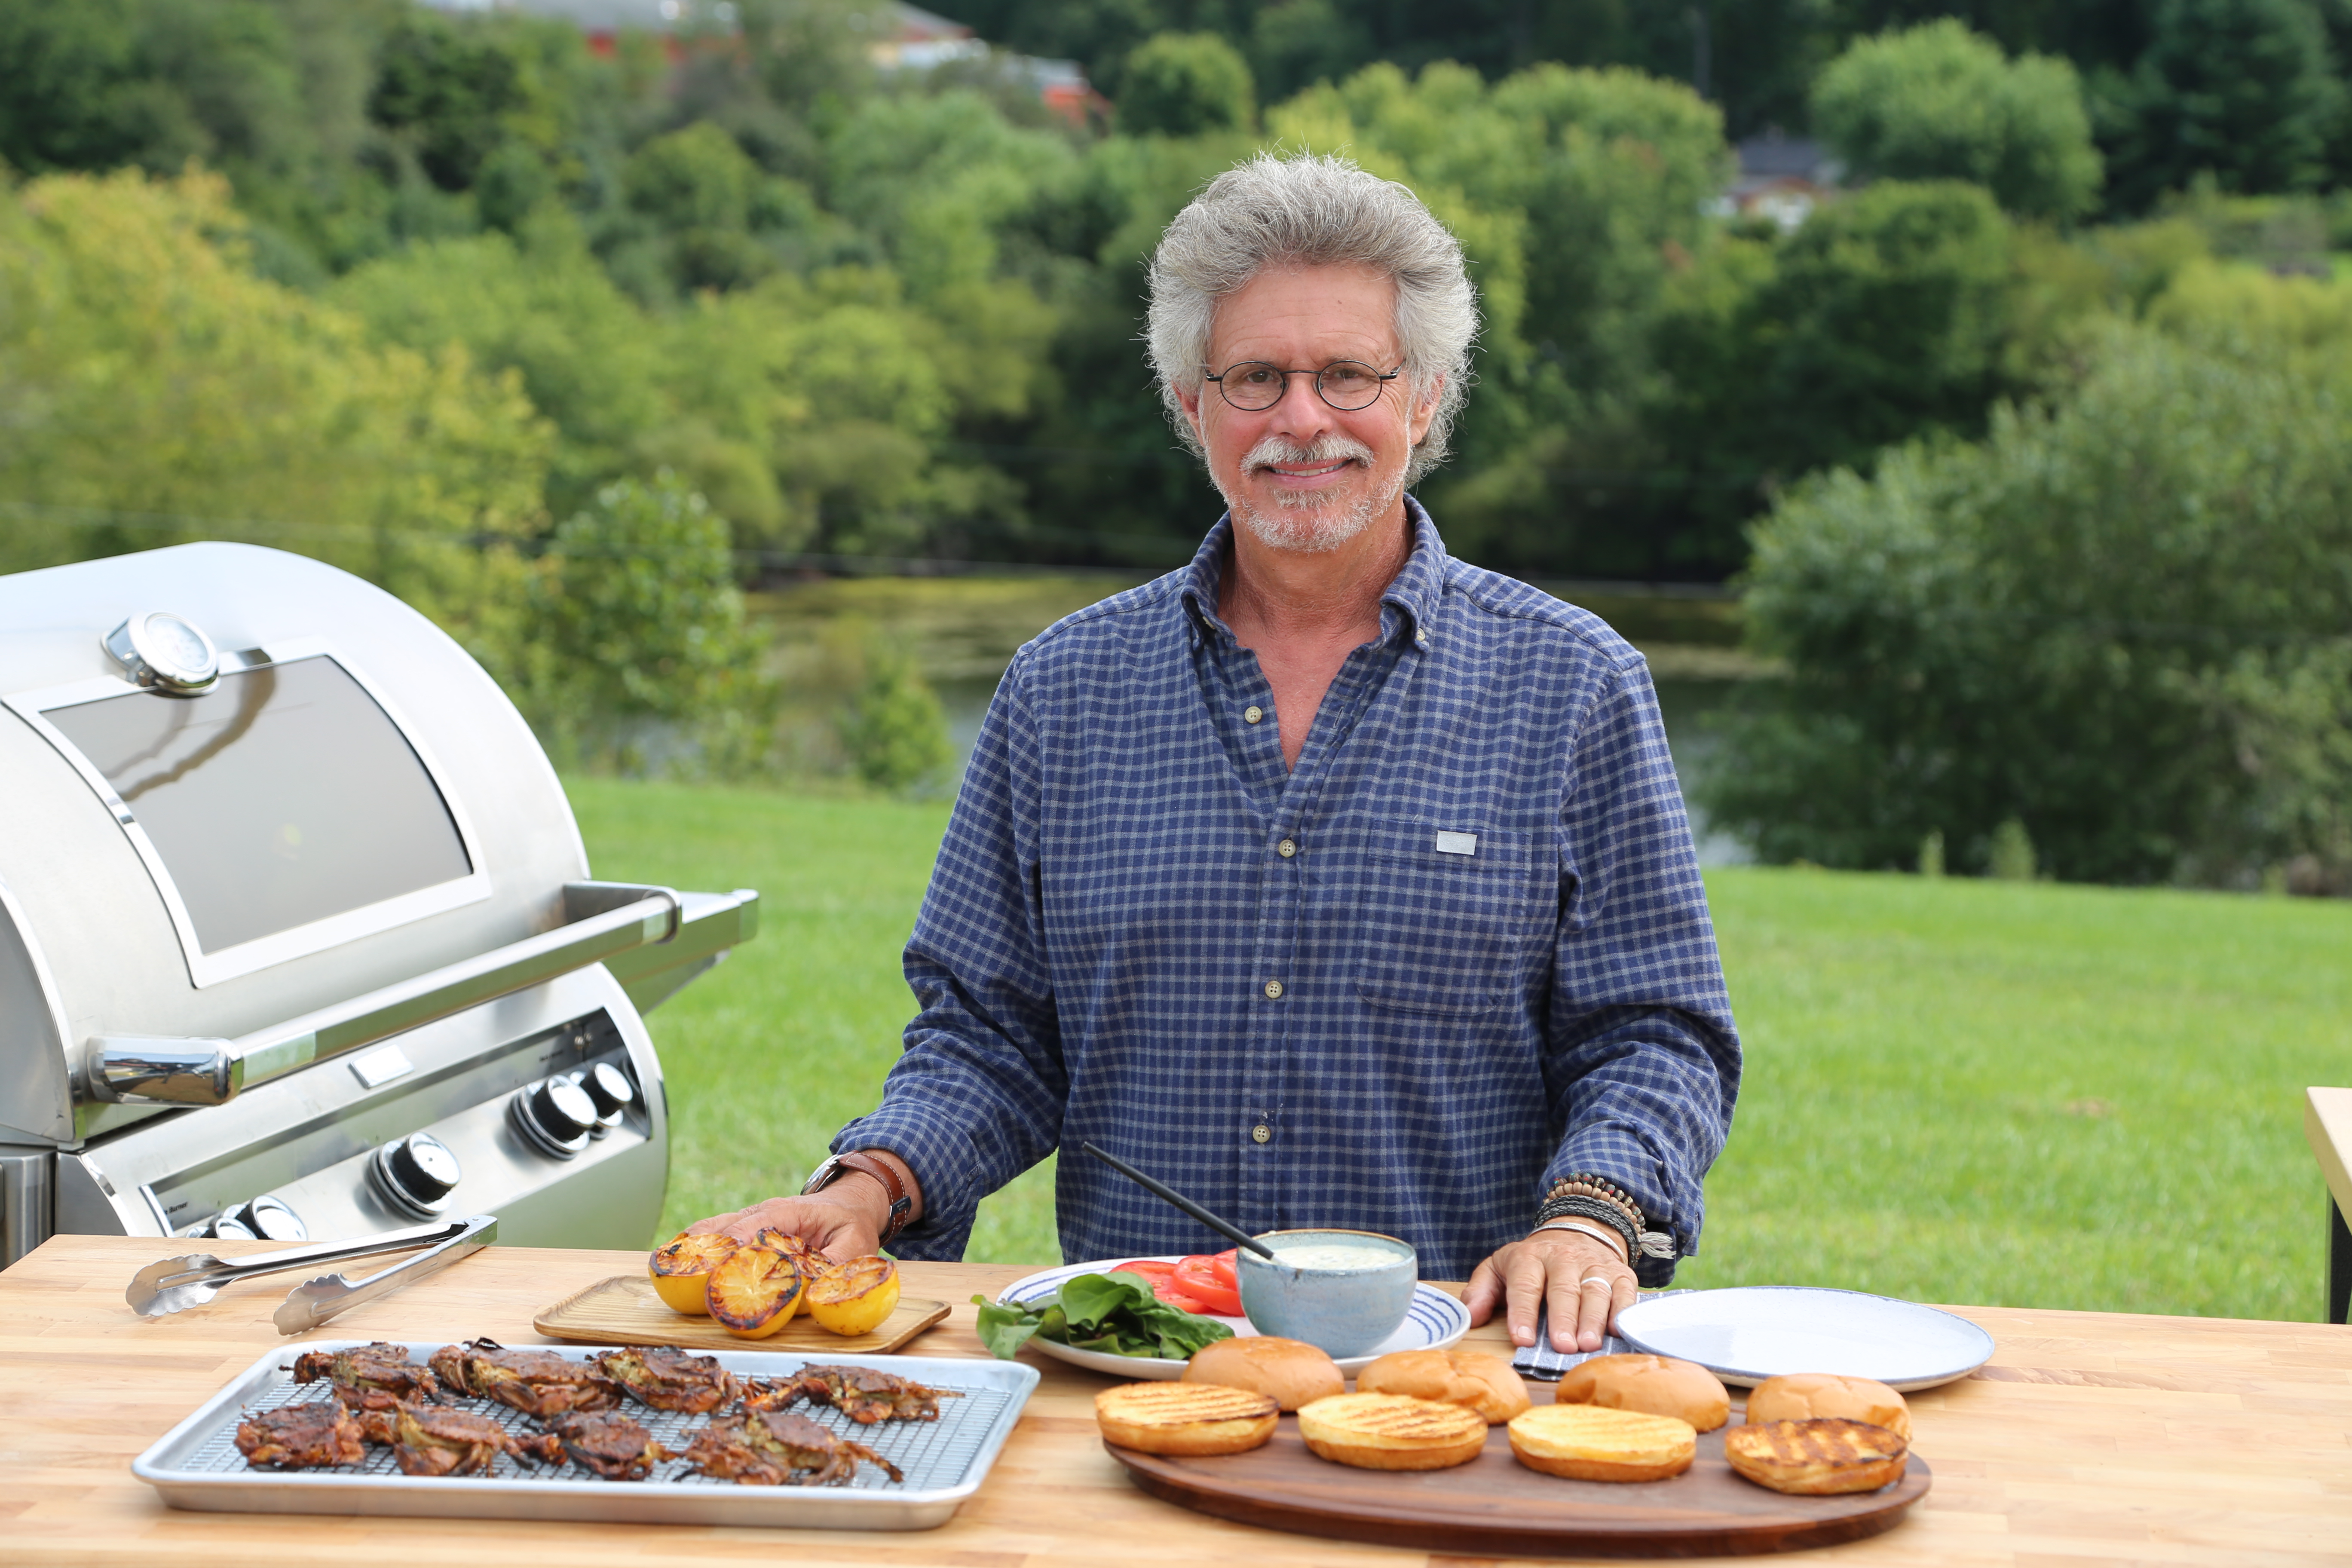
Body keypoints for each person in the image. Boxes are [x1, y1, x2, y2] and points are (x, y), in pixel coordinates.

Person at [690, 152, 1740, 1354]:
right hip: (1140, 1374)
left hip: (1459, 1377)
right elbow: (990, 1037)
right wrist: (865, 1188)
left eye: (1349, 374)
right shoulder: (1061, 692)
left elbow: (1654, 1034)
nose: (1303, 419)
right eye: (1256, 377)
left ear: (1426, 400)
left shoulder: (1573, 683)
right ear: (1192, 405)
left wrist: (1594, 1222)